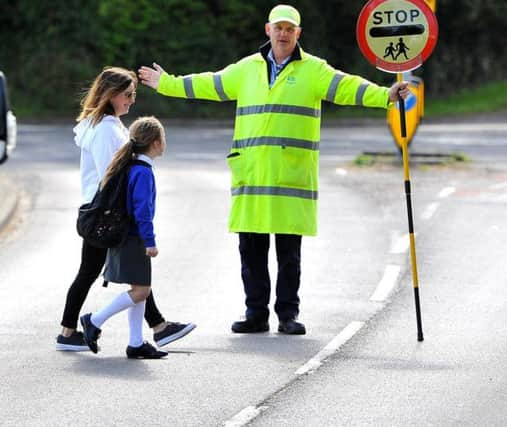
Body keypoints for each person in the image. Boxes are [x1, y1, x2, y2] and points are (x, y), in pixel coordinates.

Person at [138, 4, 409, 336]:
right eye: (279, 28)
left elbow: (348, 87)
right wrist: (166, 83)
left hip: (288, 178)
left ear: (298, 34)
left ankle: (287, 315)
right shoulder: (247, 69)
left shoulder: (314, 70)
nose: (283, 34)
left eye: (290, 29)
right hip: (252, 176)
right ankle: (255, 314)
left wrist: (386, 95)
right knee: (251, 252)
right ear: (268, 30)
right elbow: (210, 84)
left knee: (288, 255)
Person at [56, 67, 195, 351]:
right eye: (128, 95)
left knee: (101, 271)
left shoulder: (106, 124)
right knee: (128, 271)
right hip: (106, 212)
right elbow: (113, 175)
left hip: (101, 210)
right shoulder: (106, 129)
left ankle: (71, 333)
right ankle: (153, 327)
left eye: (133, 94)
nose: (132, 100)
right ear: (112, 95)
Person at [81, 116, 170, 358]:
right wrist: (149, 241)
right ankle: (95, 320)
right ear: (155, 142)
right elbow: (142, 211)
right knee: (141, 292)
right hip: (134, 238)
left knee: (140, 288)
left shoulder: (132, 167)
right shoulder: (142, 172)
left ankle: (136, 343)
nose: (165, 142)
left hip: (126, 236)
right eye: (163, 137)